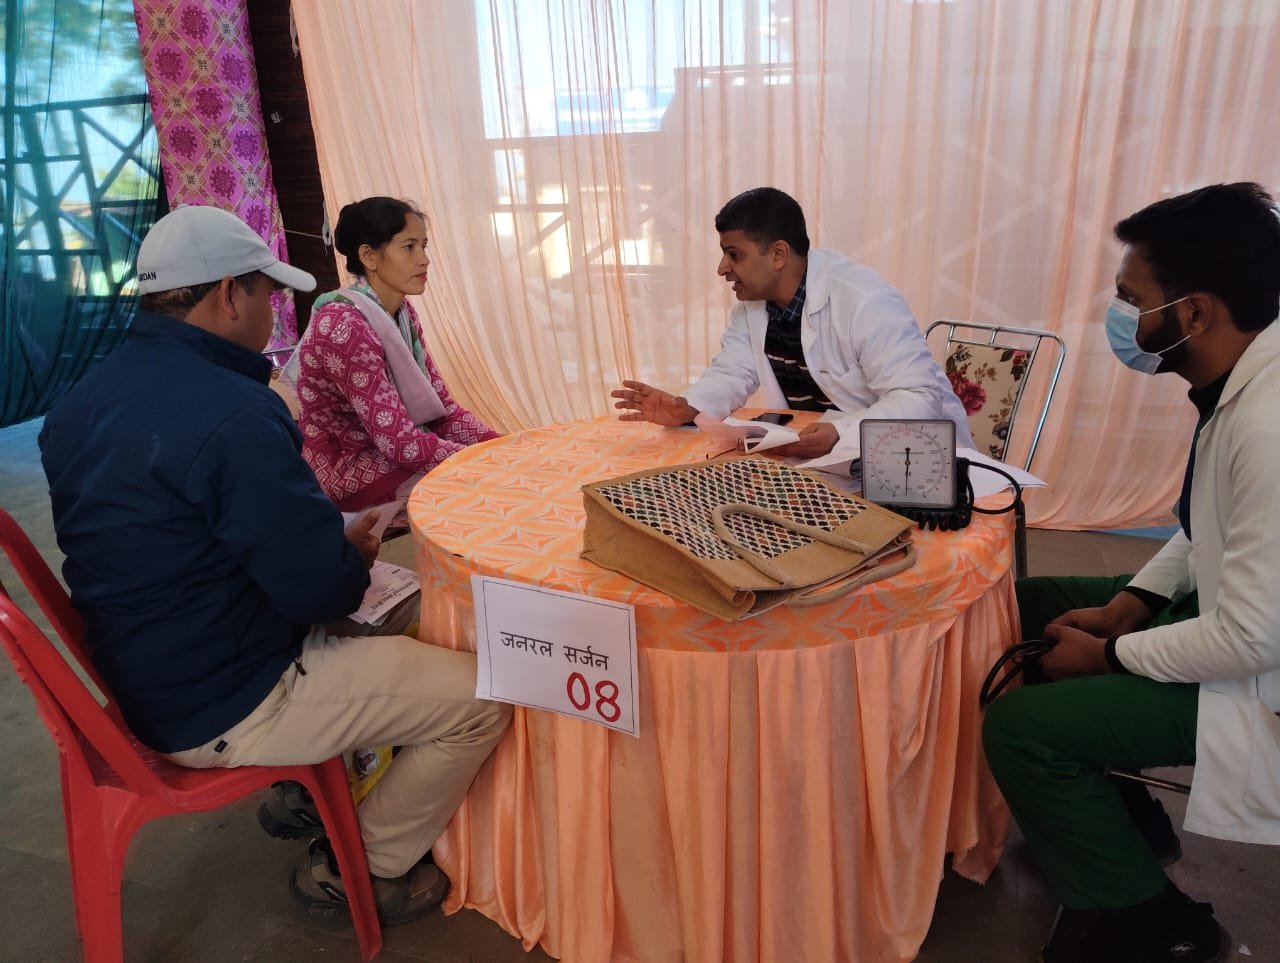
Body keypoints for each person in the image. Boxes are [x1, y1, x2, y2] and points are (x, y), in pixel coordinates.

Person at [39, 205, 511, 925]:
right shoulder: (235, 410)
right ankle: (361, 863)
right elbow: (321, 590)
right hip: (230, 693)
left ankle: (316, 789)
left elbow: (182, 530)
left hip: (147, 665)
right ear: (231, 294)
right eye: (268, 292)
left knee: (408, 609)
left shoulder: (80, 402)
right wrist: (349, 553)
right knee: (483, 700)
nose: (274, 312)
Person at [982, 182, 1280, 963]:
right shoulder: (1240, 379)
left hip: (1259, 679)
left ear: (1195, 313)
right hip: (1230, 616)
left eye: (1132, 299)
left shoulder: (1268, 423)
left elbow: (1251, 638)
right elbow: (1204, 524)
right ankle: (1124, 818)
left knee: (1018, 730)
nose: (1122, 317)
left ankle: (1157, 923)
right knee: (1022, 605)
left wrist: (1110, 654)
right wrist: (1128, 605)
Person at [611, 187, 972, 457]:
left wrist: (842, 433)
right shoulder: (753, 308)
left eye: (734, 254)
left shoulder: (865, 301)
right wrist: (686, 407)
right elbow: (731, 373)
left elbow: (919, 397)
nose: (722, 269)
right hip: (827, 461)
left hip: (917, 461)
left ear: (778, 255)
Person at [292, 196, 500, 511]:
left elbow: (443, 409)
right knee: (483, 491)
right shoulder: (343, 325)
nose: (424, 260)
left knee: (502, 470)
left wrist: (500, 445)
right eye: (409, 247)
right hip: (350, 467)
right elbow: (399, 442)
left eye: (424, 247)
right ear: (369, 256)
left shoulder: (402, 313)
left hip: (391, 453)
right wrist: (480, 461)